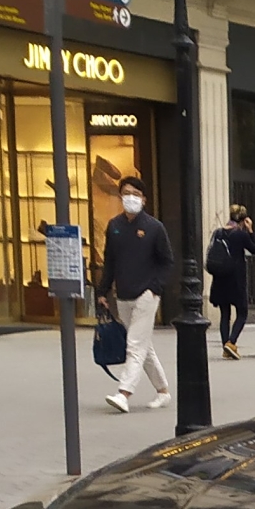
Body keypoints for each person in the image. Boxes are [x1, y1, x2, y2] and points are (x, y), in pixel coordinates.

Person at [99, 175, 173, 413]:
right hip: (123, 295)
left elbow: (166, 261)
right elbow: (109, 260)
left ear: (144, 199)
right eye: (126, 193)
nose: (130, 197)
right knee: (143, 345)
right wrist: (102, 290)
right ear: (120, 196)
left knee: (134, 344)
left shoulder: (154, 228)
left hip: (146, 295)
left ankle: (124, 393)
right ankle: (163, 391)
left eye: (136, 194)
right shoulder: (115, 226)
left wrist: (155, 287)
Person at [208, 203, 255, 360]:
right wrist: (250, 231)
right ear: (244, 220)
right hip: (236, 280)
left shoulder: (218, 233)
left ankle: (226, 347)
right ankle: (231, 343)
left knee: (225, 314)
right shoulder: (241, 235)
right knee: (242, 313)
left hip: (220, 279)